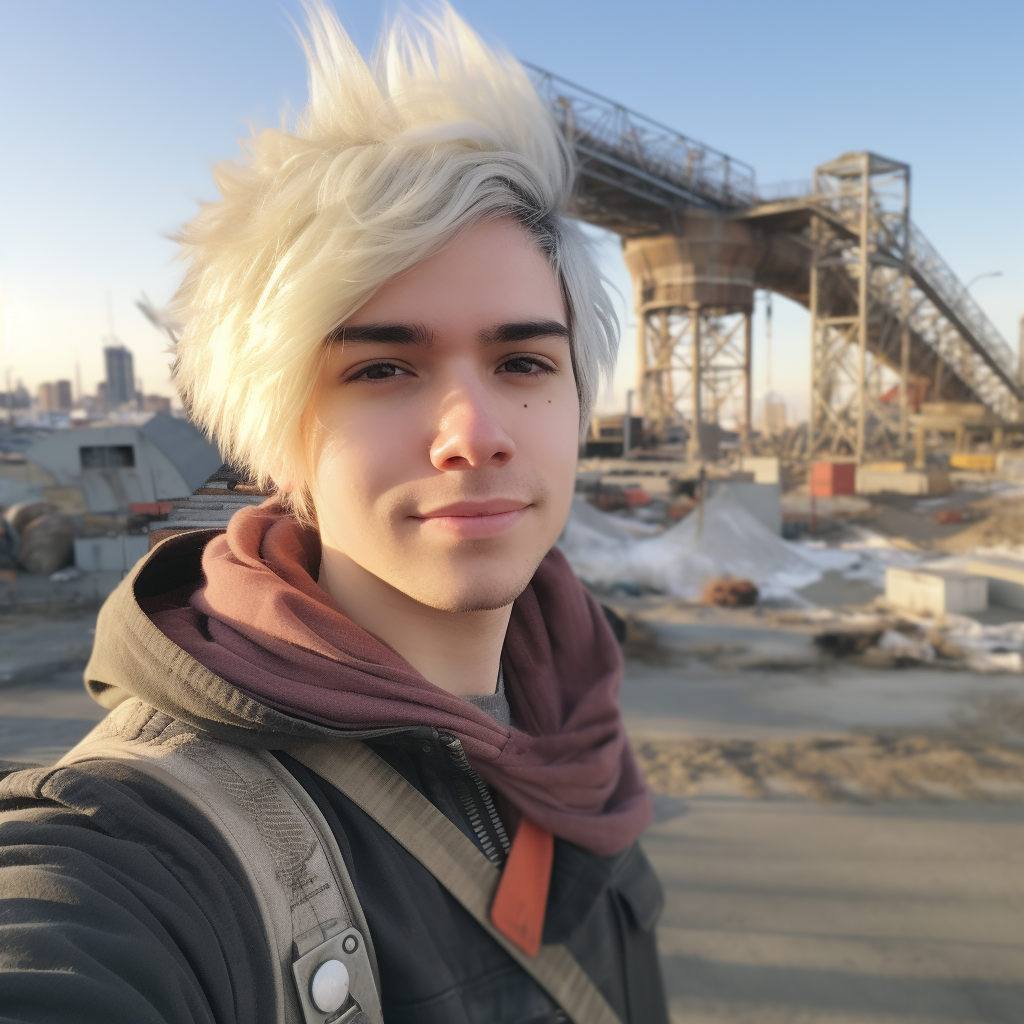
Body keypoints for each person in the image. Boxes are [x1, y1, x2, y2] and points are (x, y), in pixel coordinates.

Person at [0, 5, 669, 1022]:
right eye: (383, 367)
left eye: (523, 360)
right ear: (281, 438)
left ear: (577, 401)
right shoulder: (149, 843)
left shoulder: (577, 726)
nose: (472, 431)